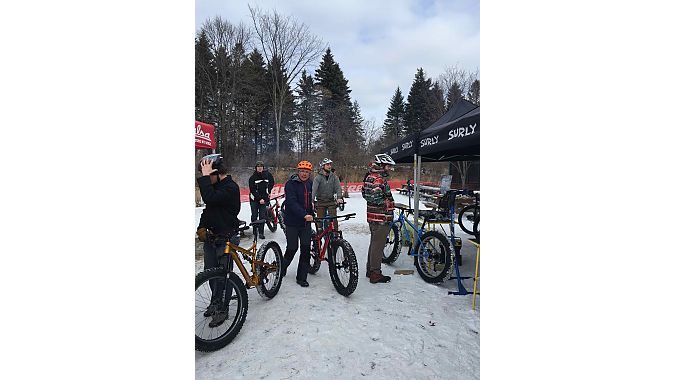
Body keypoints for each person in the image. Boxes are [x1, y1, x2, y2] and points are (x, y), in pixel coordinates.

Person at [196, 153, 241, 327]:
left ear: (216, 172)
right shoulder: (216, 187)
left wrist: (205, 178)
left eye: (207, 175)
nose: (206, 178)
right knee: (212, 275)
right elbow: (209, 209)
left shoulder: (230, 187)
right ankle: (215, 302)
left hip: (227, 238)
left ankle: (223, 308)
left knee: (224, 276)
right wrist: (201, 227)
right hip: (212, 238)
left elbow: (210, 198)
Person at [362, 153, 396, 284]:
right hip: (380, 217)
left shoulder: (370, 176)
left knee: (374, 244)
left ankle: (370, 270)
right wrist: (386, 203)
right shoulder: (378, 178)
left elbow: (364, 193)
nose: (390, 169)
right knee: (378, 246)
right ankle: (375, 273)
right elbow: (374, 197)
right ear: (382, 165)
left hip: (373, 216)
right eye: (388, 166)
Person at [281, 160, 315, 287]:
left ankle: (302, 277)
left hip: (306, 223)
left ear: (310, 173)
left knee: (305, 249)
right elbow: (291, 202)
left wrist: (312, 213)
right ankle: (282, 267)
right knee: (292, 248)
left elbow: (310, 202)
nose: (304, 174)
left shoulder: (310, 184)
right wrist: (304, 214)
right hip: (292, 221)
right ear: (298, 171)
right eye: (302, 171)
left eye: (306, 172)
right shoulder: (290, 184)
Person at [312, 158, 344, 234]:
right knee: (319, 219)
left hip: (331, 201)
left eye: (330, 164)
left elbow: (338, 187)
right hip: (320, 202)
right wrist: (312, 201)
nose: (329, 166)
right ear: (323, 166)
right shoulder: (318, 178)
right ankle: (319, 235)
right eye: (327, 164)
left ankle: (335, 234)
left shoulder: (334, 177)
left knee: (334, 218)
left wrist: (339, 197)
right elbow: (314, 189)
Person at [248, 160, 275, 239]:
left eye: (261, 167)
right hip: (254, 199)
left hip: (264, 199)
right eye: (258, 167)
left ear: (263, 167)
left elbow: (272, 182)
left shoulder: (268, 175)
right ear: (256, 168)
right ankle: (254, 230)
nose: (259, 168)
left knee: (262, 216)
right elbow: (252, 189)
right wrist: (259, 199)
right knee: (254, 215)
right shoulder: (252, 177)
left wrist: (269, 191)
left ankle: (261, 232)